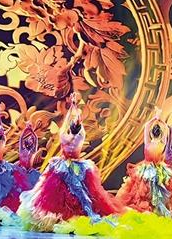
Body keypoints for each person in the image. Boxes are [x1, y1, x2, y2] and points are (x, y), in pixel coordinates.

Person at [22, 92, 123, 231]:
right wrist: (74, 107)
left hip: (70, 166)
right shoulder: (75, 136)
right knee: (70, 194)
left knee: (74, 194)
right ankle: (66, 215)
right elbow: (74, 122)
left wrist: (73, 108)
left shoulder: (69, 136)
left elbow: (70, 122)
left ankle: (68, 215)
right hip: (69, 166)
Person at [116, 109, 172, 217]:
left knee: (157, 190)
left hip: (156, 169)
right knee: (147, 190)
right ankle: (153, 207)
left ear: (154, 133)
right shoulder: (158, 142)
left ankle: (157, 208)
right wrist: (158, 119)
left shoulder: (154, 142)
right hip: (151, 169)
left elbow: (148, 126)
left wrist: (157, 119)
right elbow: (151, 127)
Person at [18, 121, 41, 186]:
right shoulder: (22, 149)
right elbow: (21, 138)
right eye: (29, 140)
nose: (30, 141)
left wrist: (31, 131)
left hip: (30, 172)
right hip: (21, 170)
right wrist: (26, 129)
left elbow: (36, 139)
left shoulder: (33, 150)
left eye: (31, 141)